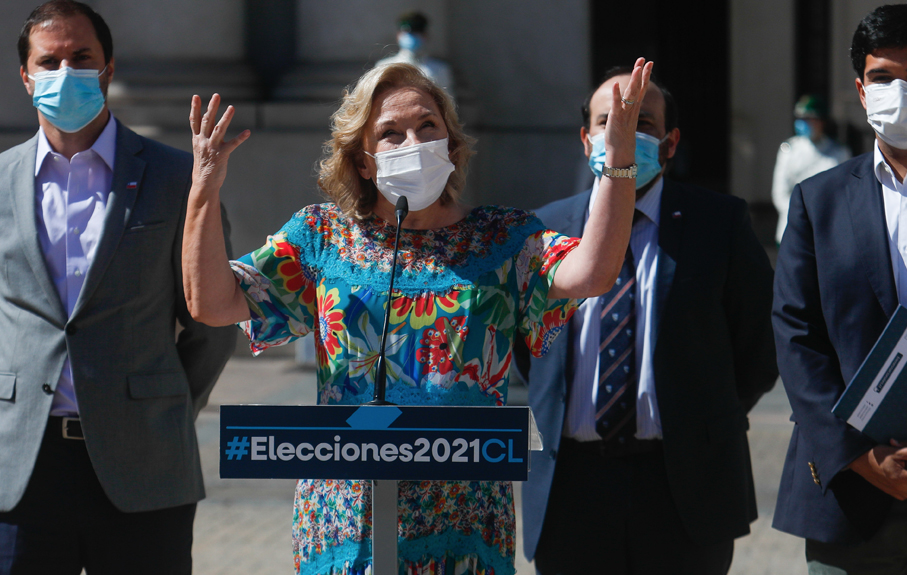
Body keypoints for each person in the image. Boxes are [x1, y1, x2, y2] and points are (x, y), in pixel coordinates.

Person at [182, 59, 652, 573]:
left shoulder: (503, 238)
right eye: (391, 133)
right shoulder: (321, 238)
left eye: (428, 125)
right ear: (363, 162)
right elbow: (211, 302)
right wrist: (203, 188)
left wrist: (618, 163)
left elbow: (593, 274)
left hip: (463, 521)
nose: (414, 142)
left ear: (451, 142)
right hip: (348, 523)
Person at [0, 1, 236, 572]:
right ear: (25, 76)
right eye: (48, 61)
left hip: (144, 460)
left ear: (107, 67)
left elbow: (210, 320)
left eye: (81, 58)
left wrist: (164, 403)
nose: (65, 73)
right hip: (19, 466)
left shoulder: (177, 177)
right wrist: (23, 392)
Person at [518, 67, 777, 575]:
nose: (623, 134)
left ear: (670, 142)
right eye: (610, 120)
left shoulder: (719, 223)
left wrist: (697, 414)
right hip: (572, 487)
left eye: (642, 122)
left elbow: (758, 347)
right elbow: (531, 352)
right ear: (585, 138)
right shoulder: (542, 227)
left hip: (683, 485)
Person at [772, 5, 907, 573]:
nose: (900, 90)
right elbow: (796, 336)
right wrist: (858, 456)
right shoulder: (818, 200)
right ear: (862, 92)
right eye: (883, 77)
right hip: (847, 497)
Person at [770, 94, 850, 243]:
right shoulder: (789, 149)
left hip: (827, 230)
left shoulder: (839, 152)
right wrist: (800, 215)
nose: (803, 123)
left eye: (809, 119)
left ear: (821, 121)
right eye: (800, 119)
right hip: (792, 229)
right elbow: (779, 192)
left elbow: (843, 192)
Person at [375, 11, 454, 92]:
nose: (411, 36)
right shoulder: (384, 66)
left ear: (425, 36)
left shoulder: (439, 69)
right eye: (407, 32)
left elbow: (448, 101)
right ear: (398, 35)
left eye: (416, 33)